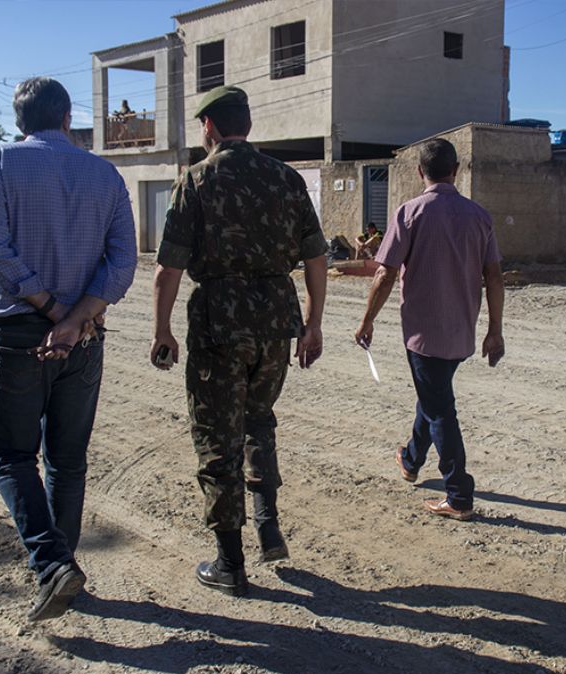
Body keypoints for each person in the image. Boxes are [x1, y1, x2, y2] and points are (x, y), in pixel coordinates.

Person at [151, 85, 328, 596]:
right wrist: (313, 324)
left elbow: (169, 267)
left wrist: (162, 330)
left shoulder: (197, 180)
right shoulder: (288, 179)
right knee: (258, 419)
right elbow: (316, 259)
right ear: (246, 125)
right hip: (277, 323)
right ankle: (268, 522)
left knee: (216, 438)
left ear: (209, 127)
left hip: (219, 325)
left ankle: (230, 563)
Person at [0, 77, 137, 620]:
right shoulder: (106, 173)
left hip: (24, 333)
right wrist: (74, 319)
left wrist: (51, 311)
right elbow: (123, 263)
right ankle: (64, 567)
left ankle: (52, 565)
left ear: (20, 122)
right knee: (67, 459)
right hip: (85, 336)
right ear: (68, 118)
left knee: (11, 453)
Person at [354, 138, 505, 521]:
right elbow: (494, 276)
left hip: (423, 334)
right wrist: (495, 330)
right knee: (433, 395)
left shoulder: (410, 212)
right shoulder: (479, 216)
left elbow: (385, 273)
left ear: (420, 172)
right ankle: (410, 458)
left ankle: (458, 494)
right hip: (461, 332)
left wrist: (367, 319)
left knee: (440, 409)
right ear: (457, 170)